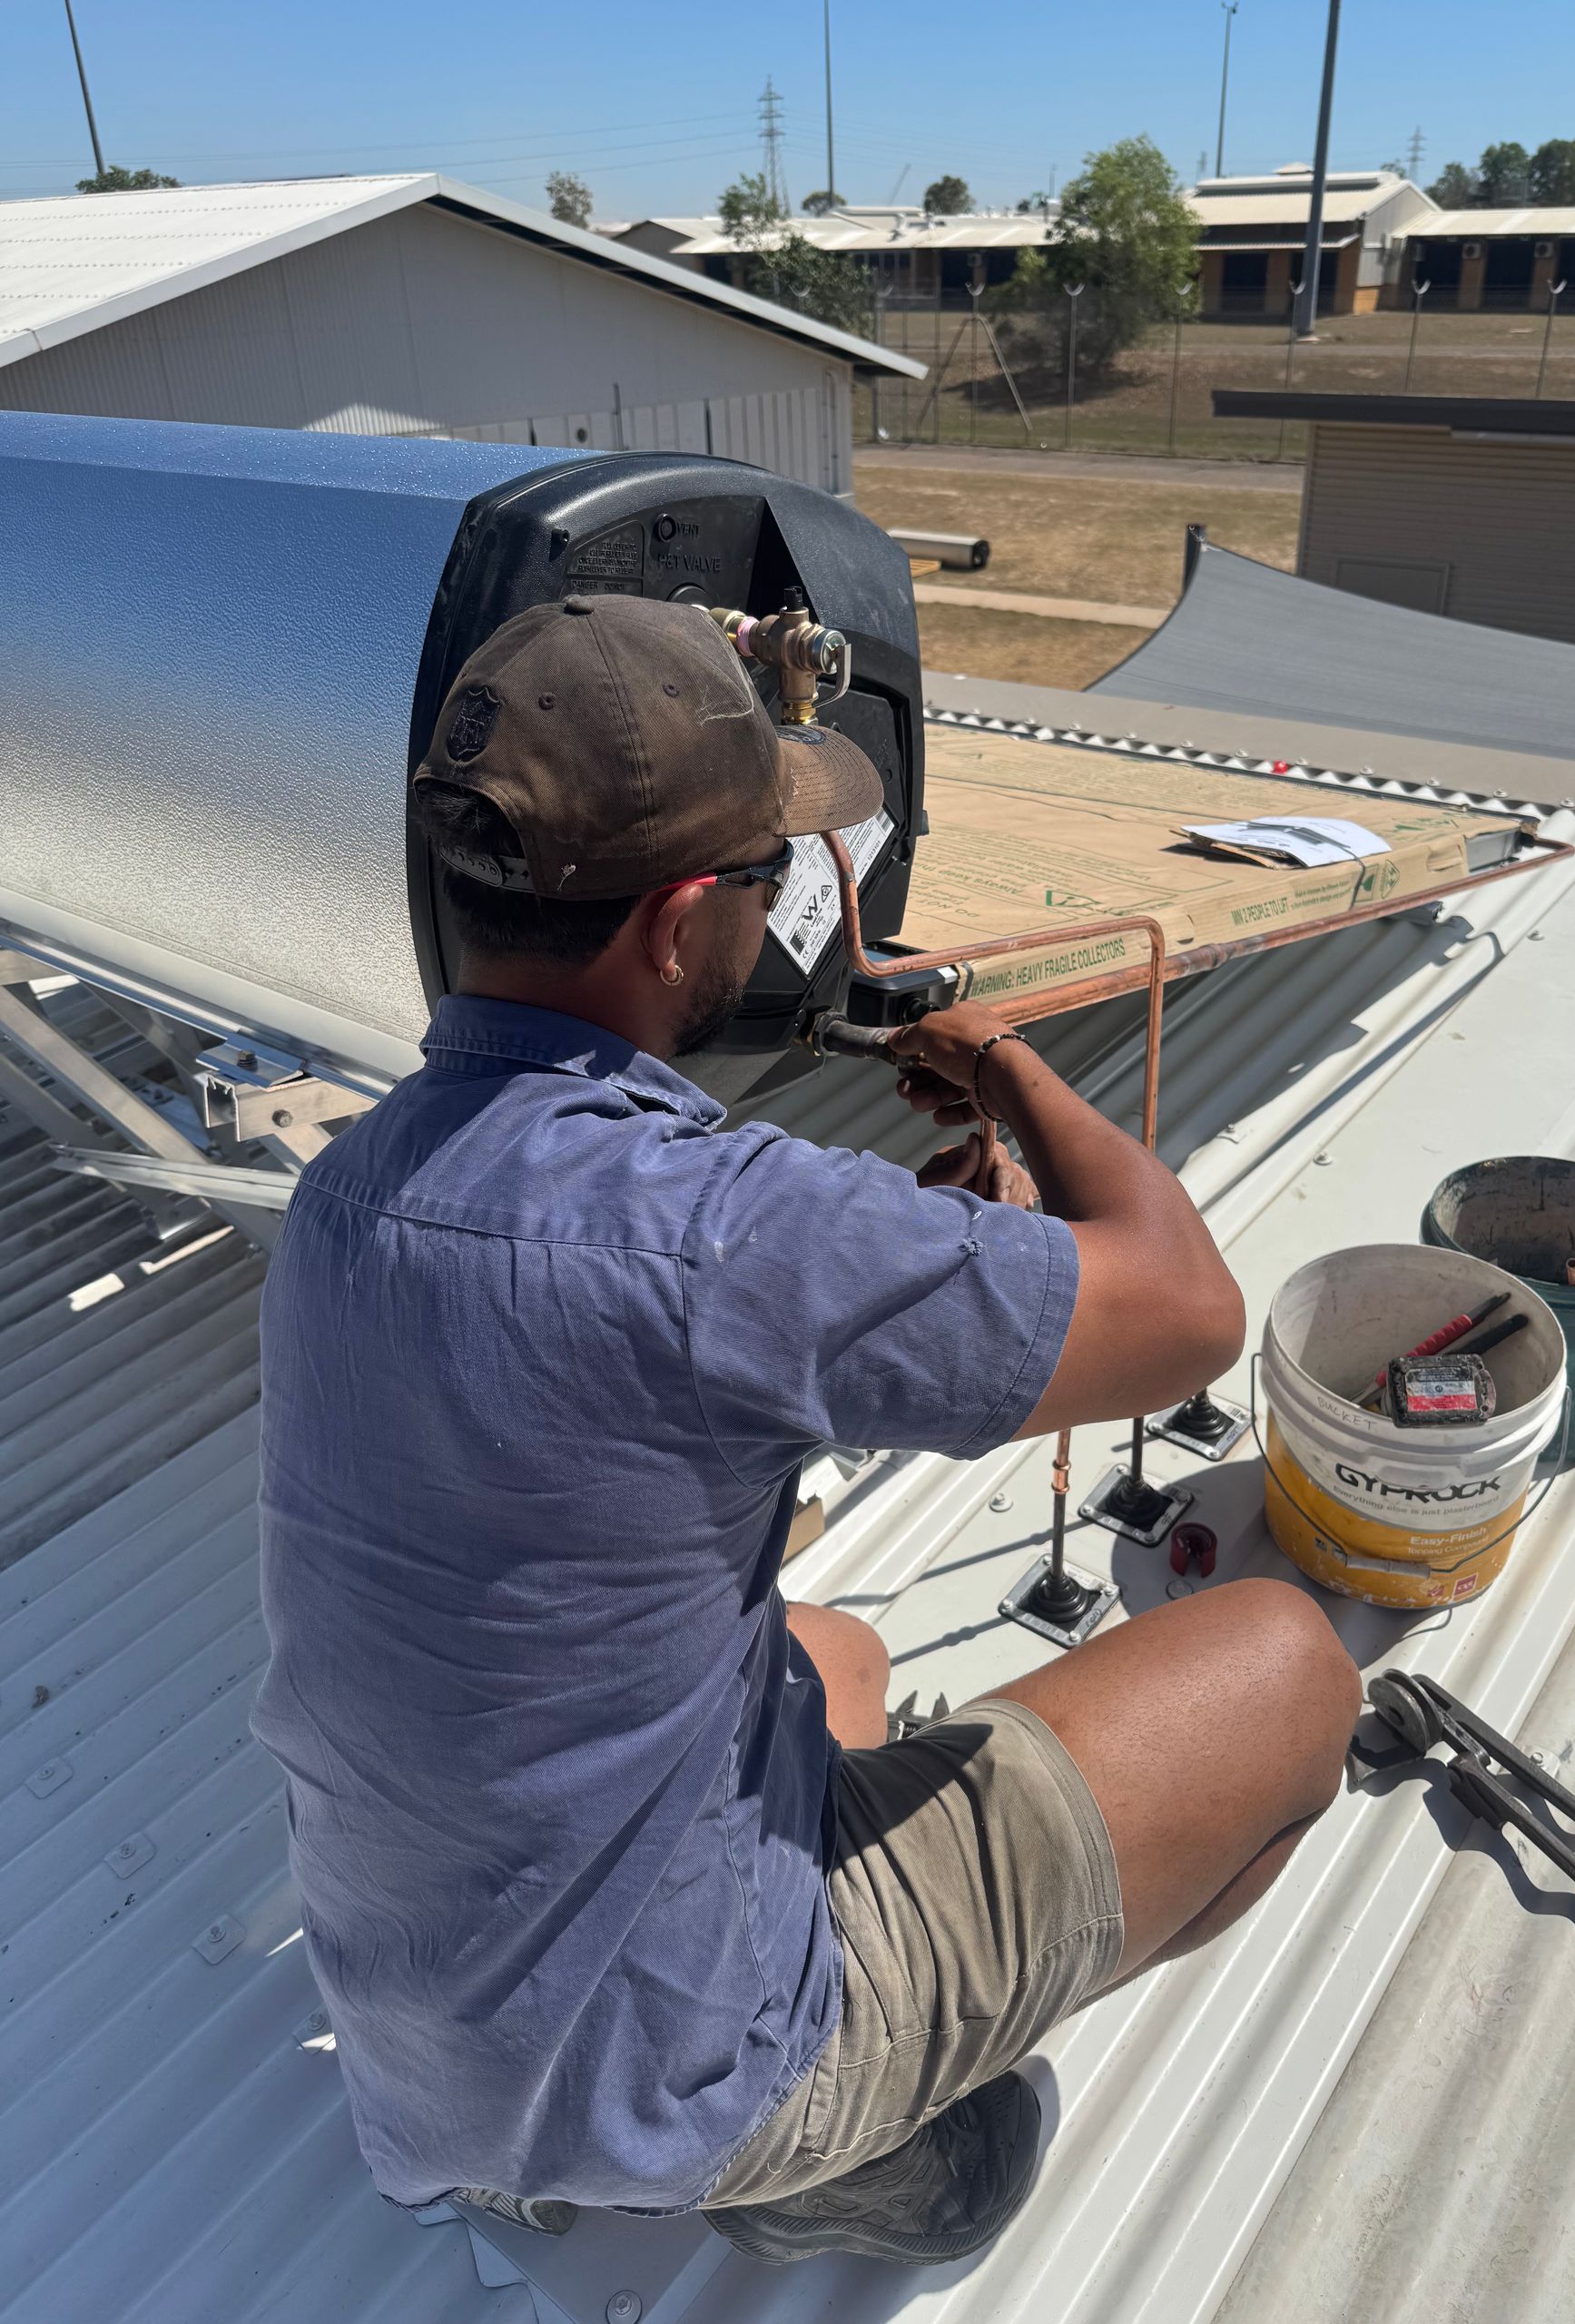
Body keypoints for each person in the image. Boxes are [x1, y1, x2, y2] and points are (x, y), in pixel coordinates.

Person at [251, 593, 1360, 2270]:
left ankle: (593, 2146)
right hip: (709, 2073)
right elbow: (1185, 1307)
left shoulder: (345, 1189)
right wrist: (1004, 1068)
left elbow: (628, 1358)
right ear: (687, 918)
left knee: (827, 1641)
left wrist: (938, 1269)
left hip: (431, 2061)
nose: (778, 915)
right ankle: (860, 2128)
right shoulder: (728, 1230)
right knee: (1291, 1669)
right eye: (769, 884)